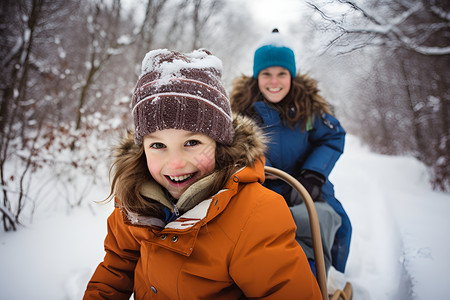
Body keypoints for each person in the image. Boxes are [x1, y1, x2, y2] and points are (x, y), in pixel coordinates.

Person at [83, 49, 322, 299]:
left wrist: (314, 173)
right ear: (141, 149)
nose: (174, 164)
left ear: (219, 144)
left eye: (192, 143)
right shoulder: (135, 204)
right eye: (157, 145)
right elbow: (116, 268)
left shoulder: (254, 216)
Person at [230, 29, 352, 276]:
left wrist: (313, 175)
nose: (274, 82)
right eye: (267, 74)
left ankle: (315, 278)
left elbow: (332, 136)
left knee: (323, 221)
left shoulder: (309, 108)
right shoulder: (240, 110)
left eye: (281, 74)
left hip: (304, 187)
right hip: (257, 189)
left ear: (291, 75)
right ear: (257, 76)